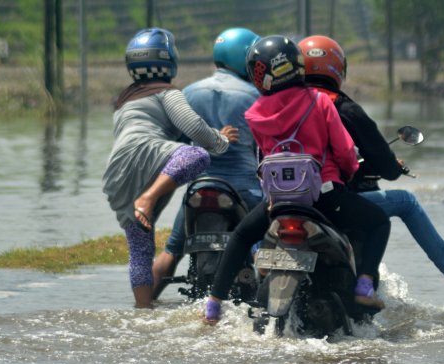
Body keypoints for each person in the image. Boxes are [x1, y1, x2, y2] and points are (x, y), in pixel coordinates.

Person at [203, 35, 392, 324]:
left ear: (259, 74)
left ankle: (213, 305)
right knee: (379, 221)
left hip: (277, 203)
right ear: (297, 65)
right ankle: (364, 286)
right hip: (326, 197)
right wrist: (350, 170)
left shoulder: (254, 114)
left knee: (241, 236)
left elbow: (261, 159)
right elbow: (344, 152)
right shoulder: (319, 102)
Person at [297, 35, 444, 287]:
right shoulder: (341, 108)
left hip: (283, 198)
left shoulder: (282, 106)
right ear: (337, 68)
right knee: (406, 201)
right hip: (331, 200)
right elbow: (363, 160)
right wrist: (390, 164)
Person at [102, 28, 239, 309]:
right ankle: (148, 198)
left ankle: (142, 310)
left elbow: (165, 133)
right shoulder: (166, 93)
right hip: (148, 153)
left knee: (141, 250)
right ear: (170, 60)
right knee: (198, 156)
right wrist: (221, 140)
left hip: (116, 171)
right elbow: (193, 128)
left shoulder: (124, 101)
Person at [151, 27, 263, 299]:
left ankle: (142, 305)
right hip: (245, 190)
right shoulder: (255, 97)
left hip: (200, 188)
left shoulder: (188, 93)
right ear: (245, 59)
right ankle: (272, 312)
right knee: (266, 247)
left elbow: (173, 143)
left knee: (171, 250)